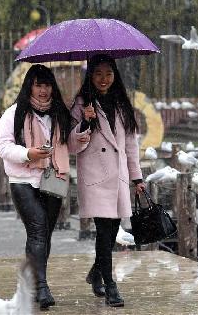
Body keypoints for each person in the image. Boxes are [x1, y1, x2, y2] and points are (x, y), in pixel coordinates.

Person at [0, 64, 90, 310]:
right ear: (30, 86)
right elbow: (3, 147)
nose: (43, 91)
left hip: (54, 177)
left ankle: (32, 283)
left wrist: (82, 130)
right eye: (38, 85)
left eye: (47, 85)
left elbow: (68, 145)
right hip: (23, 180)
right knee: (38, 229)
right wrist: (29, 153)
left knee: (44, 233)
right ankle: (42, 287)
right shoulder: (14, 114)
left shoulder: (60, 113)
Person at [69, 54, 145, 307]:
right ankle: (111, 284)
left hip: (119, 175)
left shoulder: (122, 103)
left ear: (115, 76)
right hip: (95, 176)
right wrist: (85, 123)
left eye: (108, 74)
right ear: (90, 75)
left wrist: (137, 177)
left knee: (111, 232)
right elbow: (71, 145)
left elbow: (131, 145)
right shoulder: (81, 104)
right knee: (103, 231)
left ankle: (96, 272)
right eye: (98, 74)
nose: (104, 79)